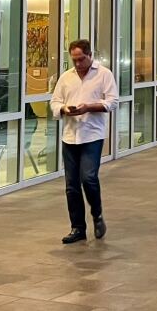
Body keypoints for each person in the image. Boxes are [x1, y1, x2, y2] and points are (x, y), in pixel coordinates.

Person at [50, 39, 119, 244]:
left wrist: (89, 107)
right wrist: (64, 109)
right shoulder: (66, 77)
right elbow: (55, 101)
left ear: (90, 56)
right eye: (74, 60)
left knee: (88, 178)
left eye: (81, 59)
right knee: (71, 185)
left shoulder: (104, 74)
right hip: (70, 136)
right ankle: (77, 227)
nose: (78, 64)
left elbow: (112, 102)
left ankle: (97, 214)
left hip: (92, 135)